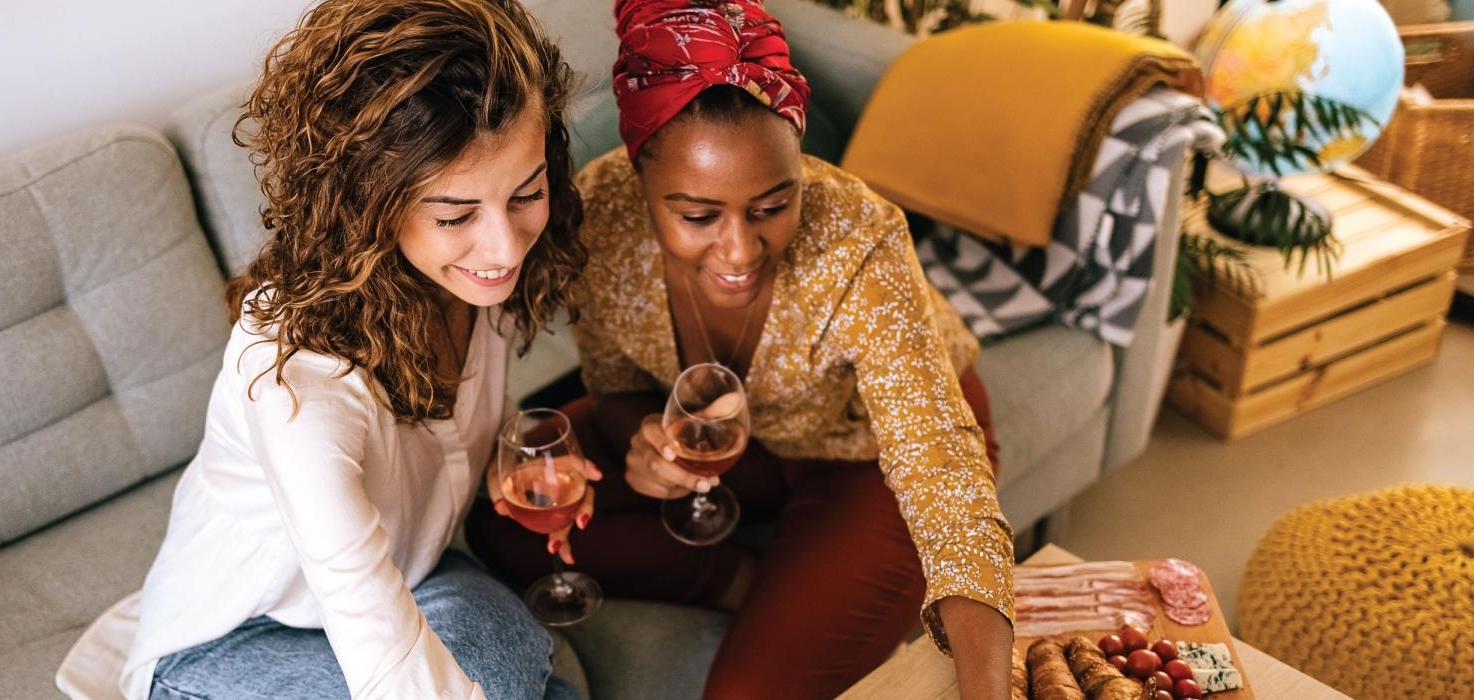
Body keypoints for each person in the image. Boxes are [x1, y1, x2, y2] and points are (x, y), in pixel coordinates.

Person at [465, 1, 1014, 698]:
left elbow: (941, 470)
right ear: (640, 181)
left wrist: (990, 688)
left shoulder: (860, 235)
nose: (740, 251)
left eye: (772, 206)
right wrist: (641, 437)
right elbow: (617, 384)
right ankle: (742, 580)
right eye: (697, 215)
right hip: (730, 441)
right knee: (505, 512)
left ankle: (809, 582)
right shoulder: (595, 214)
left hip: (865, 456)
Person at [53, 1, 588, 697]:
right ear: (370, 202)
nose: (506, 246)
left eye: (528, 192)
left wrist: (506, 457)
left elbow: (453, 435)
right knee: (501, 676)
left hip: (413, 579)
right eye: (457, 214)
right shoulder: (298, 377)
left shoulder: (462, 276)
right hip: (234, 640)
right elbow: (376, 639)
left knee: (500, 649)